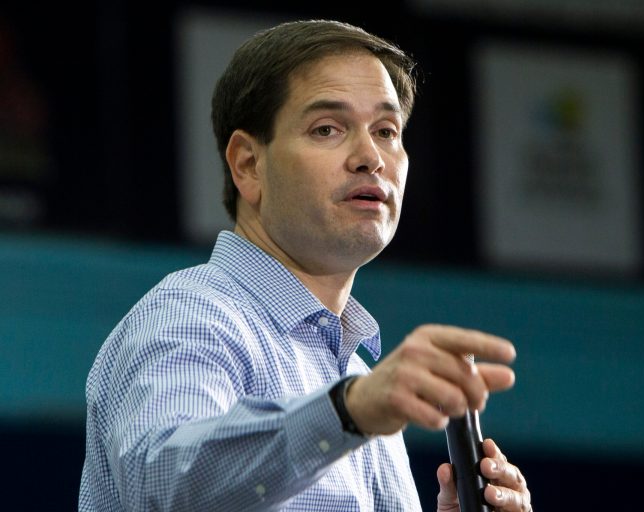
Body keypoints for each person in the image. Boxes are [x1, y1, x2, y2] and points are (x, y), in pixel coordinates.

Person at [78, 19, 532, 511]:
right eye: (327, 129)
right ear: (248, 165)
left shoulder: (356, 375)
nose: (370, 157)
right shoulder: (193, 316)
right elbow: (166, 486)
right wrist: (351, 409)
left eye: (386, 130)